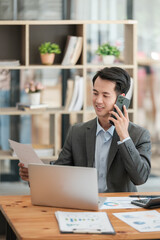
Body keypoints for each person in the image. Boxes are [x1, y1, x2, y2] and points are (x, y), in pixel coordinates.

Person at [19, 67, 151, 192]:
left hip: (119, 207)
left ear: (121, 99)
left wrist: (124, 137)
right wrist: (35, 175)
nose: (98, 100)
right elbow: (60, 171)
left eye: (105, 95)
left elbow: (140, 178)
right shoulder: (77, 132)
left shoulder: (139, 135)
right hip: (83, 202)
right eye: (95, 93)